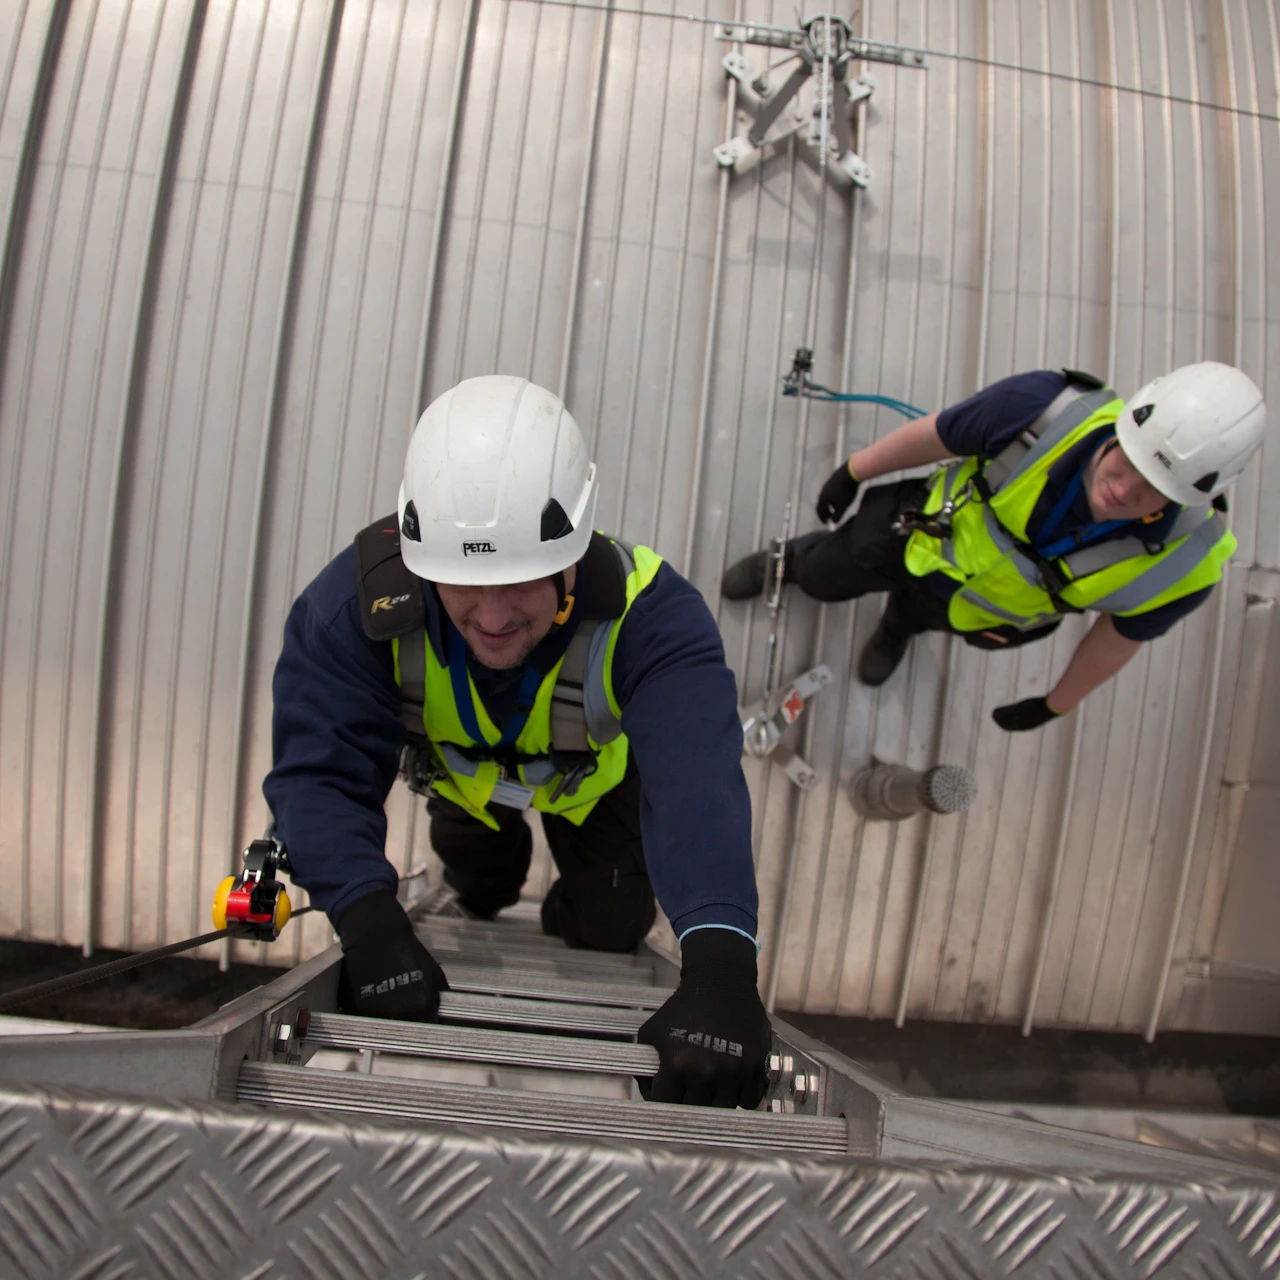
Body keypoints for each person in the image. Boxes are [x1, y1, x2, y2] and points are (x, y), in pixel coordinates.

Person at [265, 374, 771, 1108]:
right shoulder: (351, 610)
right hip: (466, 790)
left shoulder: (652, 615)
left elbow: (696, 777)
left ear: (577, 546)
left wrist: (722, 964)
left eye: (524, 578)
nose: (494, 615)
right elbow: (320, 773)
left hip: (589, 791)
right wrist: (365, 916)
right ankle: (490, 868)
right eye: (463, 583)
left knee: (608, 929)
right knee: (481, 885)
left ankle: (571, 890)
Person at [723, 363, 1266, 729]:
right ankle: (789, 563)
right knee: (827, 570)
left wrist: (1057, 703)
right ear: (1129, 423)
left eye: (1153, 489)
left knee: (918, 616)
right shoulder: (1045, 406)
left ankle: (897, 629)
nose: (1123, 489)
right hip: (917, 529)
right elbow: (940, 434)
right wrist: (853, 471)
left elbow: (1118, 637)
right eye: (1129, 461)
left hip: (976, 607)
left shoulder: (1188, 565)